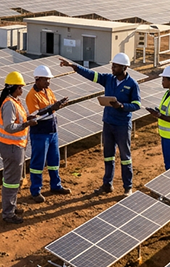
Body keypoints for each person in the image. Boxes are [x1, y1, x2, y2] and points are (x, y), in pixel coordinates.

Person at [60, 53, 141, 197]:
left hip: (122, 125)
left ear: (124, 67)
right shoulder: (108, 79)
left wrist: (122, 106)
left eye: (116, 66)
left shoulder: (132, 84)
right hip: (108, 123)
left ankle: (128, 187)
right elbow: (91, 75)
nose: (112, 68)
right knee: (108, 156)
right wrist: (74, 66)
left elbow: (137, 104)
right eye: (112, 65)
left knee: (125, 157)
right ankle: (107, 184)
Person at [25, 64, 71, 203]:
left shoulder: (48, 91)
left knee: (54, 161)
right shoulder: (32, 95)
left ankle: (56, 185)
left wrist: (59, 104)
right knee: (38, 162)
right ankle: (35, 191)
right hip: (40, 133)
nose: (48, 82)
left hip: (52, 131)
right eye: (45, 79)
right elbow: (35, 114)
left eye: (49, 79)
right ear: (38, 79)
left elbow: (53, 105)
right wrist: (52, 108)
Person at [0, 71, 37, 224]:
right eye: (20, 87)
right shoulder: (9, 104)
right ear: (13, 88)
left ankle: (11, 207)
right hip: (11, 147)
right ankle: (8, 213)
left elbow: (18, 119)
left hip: (16, 146)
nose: (22, 90)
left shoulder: (15, 101)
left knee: (15, 179)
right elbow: (9, 127)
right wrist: (27, 124)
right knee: (11, 181)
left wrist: (28, 118)